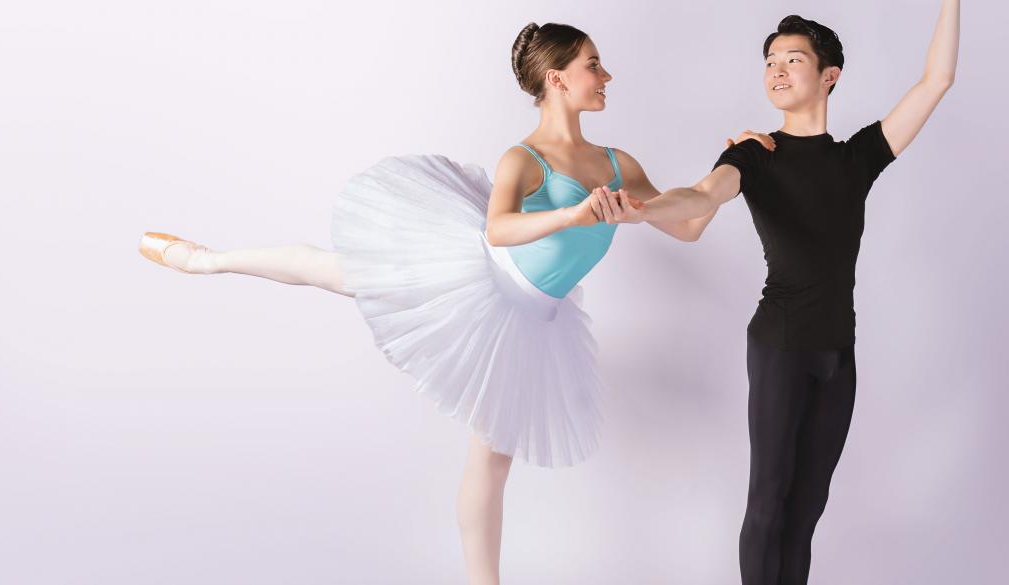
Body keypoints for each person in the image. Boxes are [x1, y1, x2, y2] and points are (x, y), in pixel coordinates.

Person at [135, 22, 764, 585]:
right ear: (557, 79)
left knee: (492, 460)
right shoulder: (526, 158)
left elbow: (686, 225)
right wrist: (575, 212)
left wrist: (731, 164)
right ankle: (205, 259)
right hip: (480, 279)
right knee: (340, 271)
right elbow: (498, 228)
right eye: (593, 64)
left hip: (534, 318)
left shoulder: (616, 162)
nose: (606, 75)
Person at [589, 4, 960, 583]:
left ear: (830, 74)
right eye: (770, 61)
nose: (777, 70)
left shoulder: (856, 157)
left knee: (807, 509)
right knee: (767, 502)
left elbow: (936, 81)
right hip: (781, 348)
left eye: (793, 59)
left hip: (839, 355)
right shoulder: (754, 155)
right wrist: (644, 210)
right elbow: (704, 195)